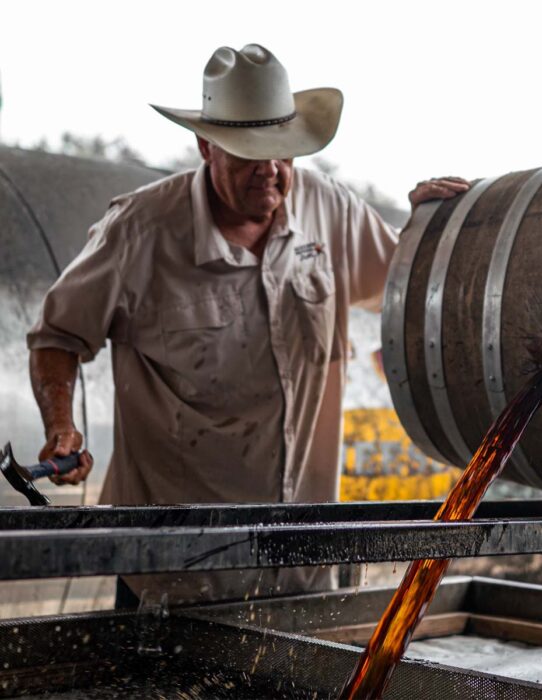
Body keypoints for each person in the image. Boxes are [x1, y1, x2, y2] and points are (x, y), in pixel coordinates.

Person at [27, 44, 470, 605]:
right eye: (249, 153)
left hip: (298, 567)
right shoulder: (140, 231)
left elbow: (403, 288)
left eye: (283, 152)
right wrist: (61, 424)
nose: (270, 170)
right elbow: (56, 337)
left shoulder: (328, 210)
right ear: (205, 145)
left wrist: (425, 227)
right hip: (174, 576)